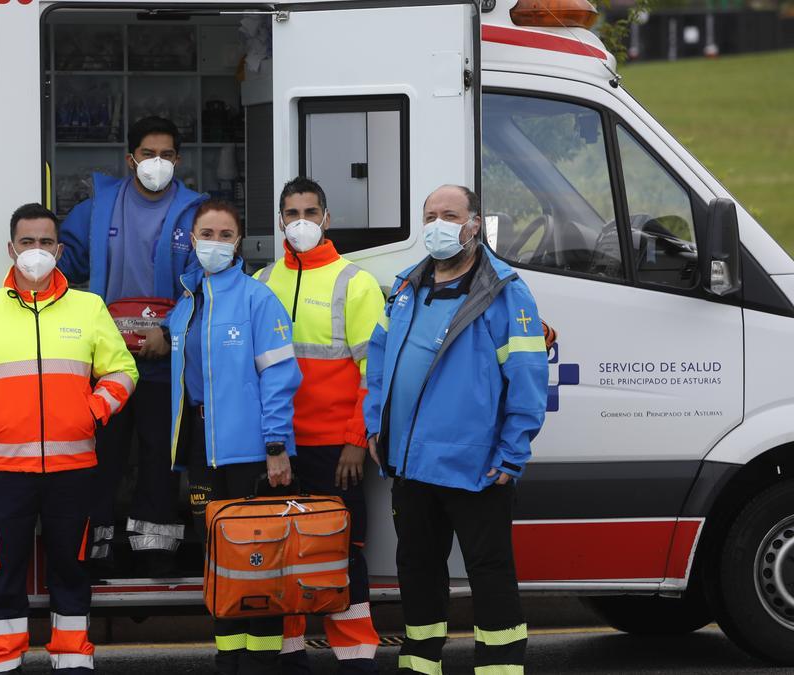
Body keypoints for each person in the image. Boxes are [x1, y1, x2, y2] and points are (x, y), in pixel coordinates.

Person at [0, 203, 138, 674]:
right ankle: (4, 661)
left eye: (46, 242)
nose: (36, 252)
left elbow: (122, 370)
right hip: (6, 471)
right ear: (11, 248)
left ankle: (72, 657)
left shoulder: (89, 308)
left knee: (72, 568)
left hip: (74, 470)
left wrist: (94, 408)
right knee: (4, 572)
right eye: (28, 242)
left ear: (60, 250)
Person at [364, 185, 549, 675]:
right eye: (431, 216)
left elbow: (528, 381)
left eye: (450, 215)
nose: (439, 224)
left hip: (478, 466)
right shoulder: (406, 288)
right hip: (411, 463)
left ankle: (501, 667)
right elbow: (378, 366)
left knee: (490, 574)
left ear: (474, 224)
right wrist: (374, 427)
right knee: (418, 572)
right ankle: (420, 664)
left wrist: (512, 455)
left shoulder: (506, 292)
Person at [59, 116, 208, 574]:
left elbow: (207, 284)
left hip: (168, 363)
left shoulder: (197, 213)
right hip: (107, 364)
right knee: (101, 461)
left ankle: (156, 558)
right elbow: (65, 266)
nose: (156, 163)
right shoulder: (99, 207)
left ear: (178, 160)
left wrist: (172, 332)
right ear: (131, 159)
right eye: (148, 154)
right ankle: (98, 556)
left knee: (159, 464)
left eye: (166, 154)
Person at [253, 178, 385, 674]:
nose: (301, 220)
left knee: (342, 555)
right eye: (292, 212)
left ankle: (356, 659)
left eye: (311, 211)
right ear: (281, 220)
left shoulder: (355, 282)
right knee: (282, 553)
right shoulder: (264, 282)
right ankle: (288, 660)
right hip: (280, 449)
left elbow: (375, 373)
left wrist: (356, 440)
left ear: (327, 219)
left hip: (336, 449)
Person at [169, 200, 301, 675]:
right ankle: (230, 660)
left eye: (226, 235)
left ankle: (262, 664)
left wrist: (276, 446)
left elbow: (280, 377)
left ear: (239, 241)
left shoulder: (257, 298)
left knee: (258, 560)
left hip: (252, 453)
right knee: (221, 561)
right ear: (192, 238)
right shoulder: (188, 300)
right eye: (207, 233)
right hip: (204, 449)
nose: (216, 243)